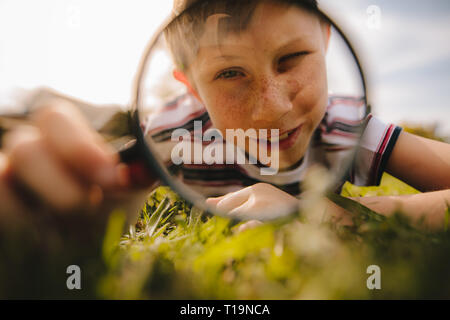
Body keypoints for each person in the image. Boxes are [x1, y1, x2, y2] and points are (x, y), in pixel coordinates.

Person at [0, 0, 449, 230]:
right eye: (231, 72)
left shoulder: (344, 129)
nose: (273, 105)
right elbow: (107, 196)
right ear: (191, 87)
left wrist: (340, 217)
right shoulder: (171, 135)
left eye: (291, 58)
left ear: (327, 41)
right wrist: (90, 208)